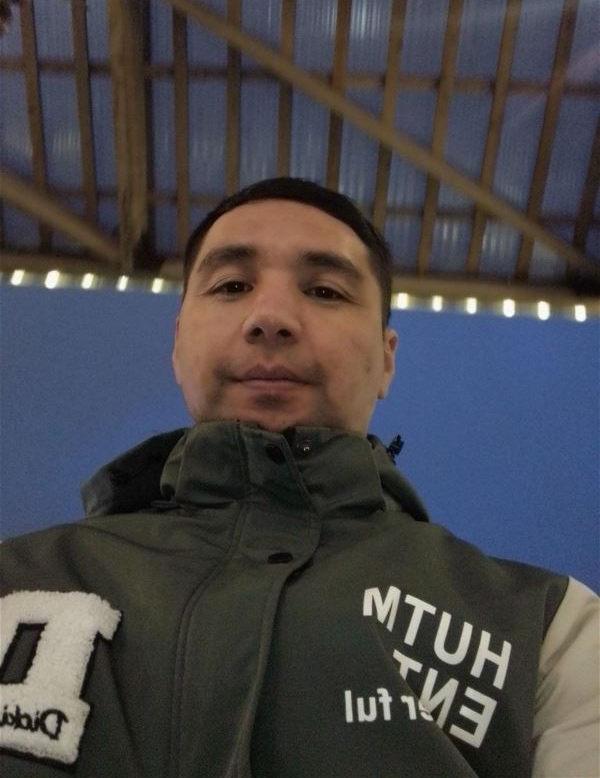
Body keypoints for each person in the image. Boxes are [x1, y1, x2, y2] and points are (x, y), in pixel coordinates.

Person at [0, 178, 598, 778]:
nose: (270, 318)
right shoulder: (17, 576)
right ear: (178, 343)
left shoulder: (549, 632)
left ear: (387, 358)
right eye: (232, 286)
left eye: (325, 291)